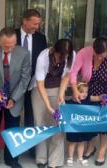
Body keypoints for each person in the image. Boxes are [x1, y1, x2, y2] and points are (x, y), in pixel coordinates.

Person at [70, 36, 107, 166]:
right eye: (97, 55)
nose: (99, 58)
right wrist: (75, 90)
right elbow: (73, 73)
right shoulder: (84, 53)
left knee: (106, 127)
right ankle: (90, 147)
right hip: (90, 93)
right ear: (93, 49)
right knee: (90, 123)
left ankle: (102, 152)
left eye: (102, 56)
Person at [0, 27, 31, 168]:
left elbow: (25, 78)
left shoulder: (24, 53)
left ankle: (11, 159)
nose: (9, 49)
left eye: (12, 45)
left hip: (14, 97)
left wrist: (14, 98)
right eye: (5, 46)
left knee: (12, 130)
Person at [32, 38, 75, 168]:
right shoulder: (43, 56)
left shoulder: (72, 55)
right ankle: (41, 158)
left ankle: (54, 161)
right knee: (40, 123)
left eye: (65, 56)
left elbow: (66, 77)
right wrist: (49, 106)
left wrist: (61, 95)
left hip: (57, 88)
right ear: (53, 50)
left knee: (58, 124)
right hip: (40, 89)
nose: (61, 59)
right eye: (59, 55)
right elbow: (39, 83)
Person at [15, 9, 47, 134]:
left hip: (33, 83)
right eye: (34, 23)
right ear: (25, 21)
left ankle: (31, 147)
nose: (37, 27)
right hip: (14, 83)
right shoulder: (12, 35)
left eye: (38, 24)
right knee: (13, 116)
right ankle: (14, 146)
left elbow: (43, 61)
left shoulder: (41, 38)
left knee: (31, 115)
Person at [65, 82, 102, 167]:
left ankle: (80, 158)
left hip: (83, 127)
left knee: (81, 143)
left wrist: (101, 97)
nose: (85, 94)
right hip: (73, 128)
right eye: (82, 92)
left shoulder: (87, 99)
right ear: (75, 92)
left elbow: (96, 98)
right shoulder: (70, 102)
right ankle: (70, 158)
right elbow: (63, 108)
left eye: (86, 92)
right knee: (72, 143)